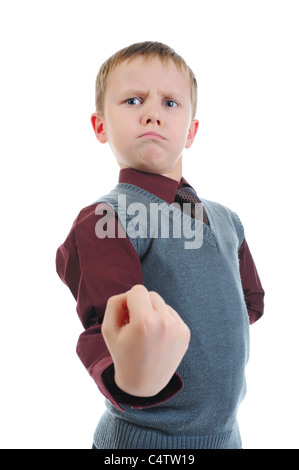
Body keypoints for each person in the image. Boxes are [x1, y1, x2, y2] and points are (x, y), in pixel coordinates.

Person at [56, 41, 265, 449]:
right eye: (133, 100)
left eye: (171, 103)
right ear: (100, 126)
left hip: (228, 438)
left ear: (191, 130)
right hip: (143, 445)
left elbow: (249, 304)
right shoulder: (106, 218)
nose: (153, 112)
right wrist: (130, 379)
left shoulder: (227, 221)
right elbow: (108, 332)